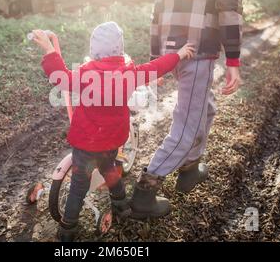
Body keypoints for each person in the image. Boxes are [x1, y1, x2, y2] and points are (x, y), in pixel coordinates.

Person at [32, 22, 195, 241]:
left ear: (94, 50)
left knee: (78, 187)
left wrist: (50, 51)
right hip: (110, 143)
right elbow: (156, 67)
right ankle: (121, 206)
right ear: (120, 49)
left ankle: (68, 228)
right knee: (111, 170)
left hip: (85, 144)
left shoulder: (85, 74)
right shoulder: (129, 73)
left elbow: (60, 77)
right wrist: (179, 54)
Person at [129, 0, 244, 220]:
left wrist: (158, 55)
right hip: (199, 52)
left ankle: (190, 169)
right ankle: (145, 192)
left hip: (174, 51)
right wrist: (233, 61)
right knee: (187, 128)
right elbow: (230, 8)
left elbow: (156, 10)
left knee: (206, 107)